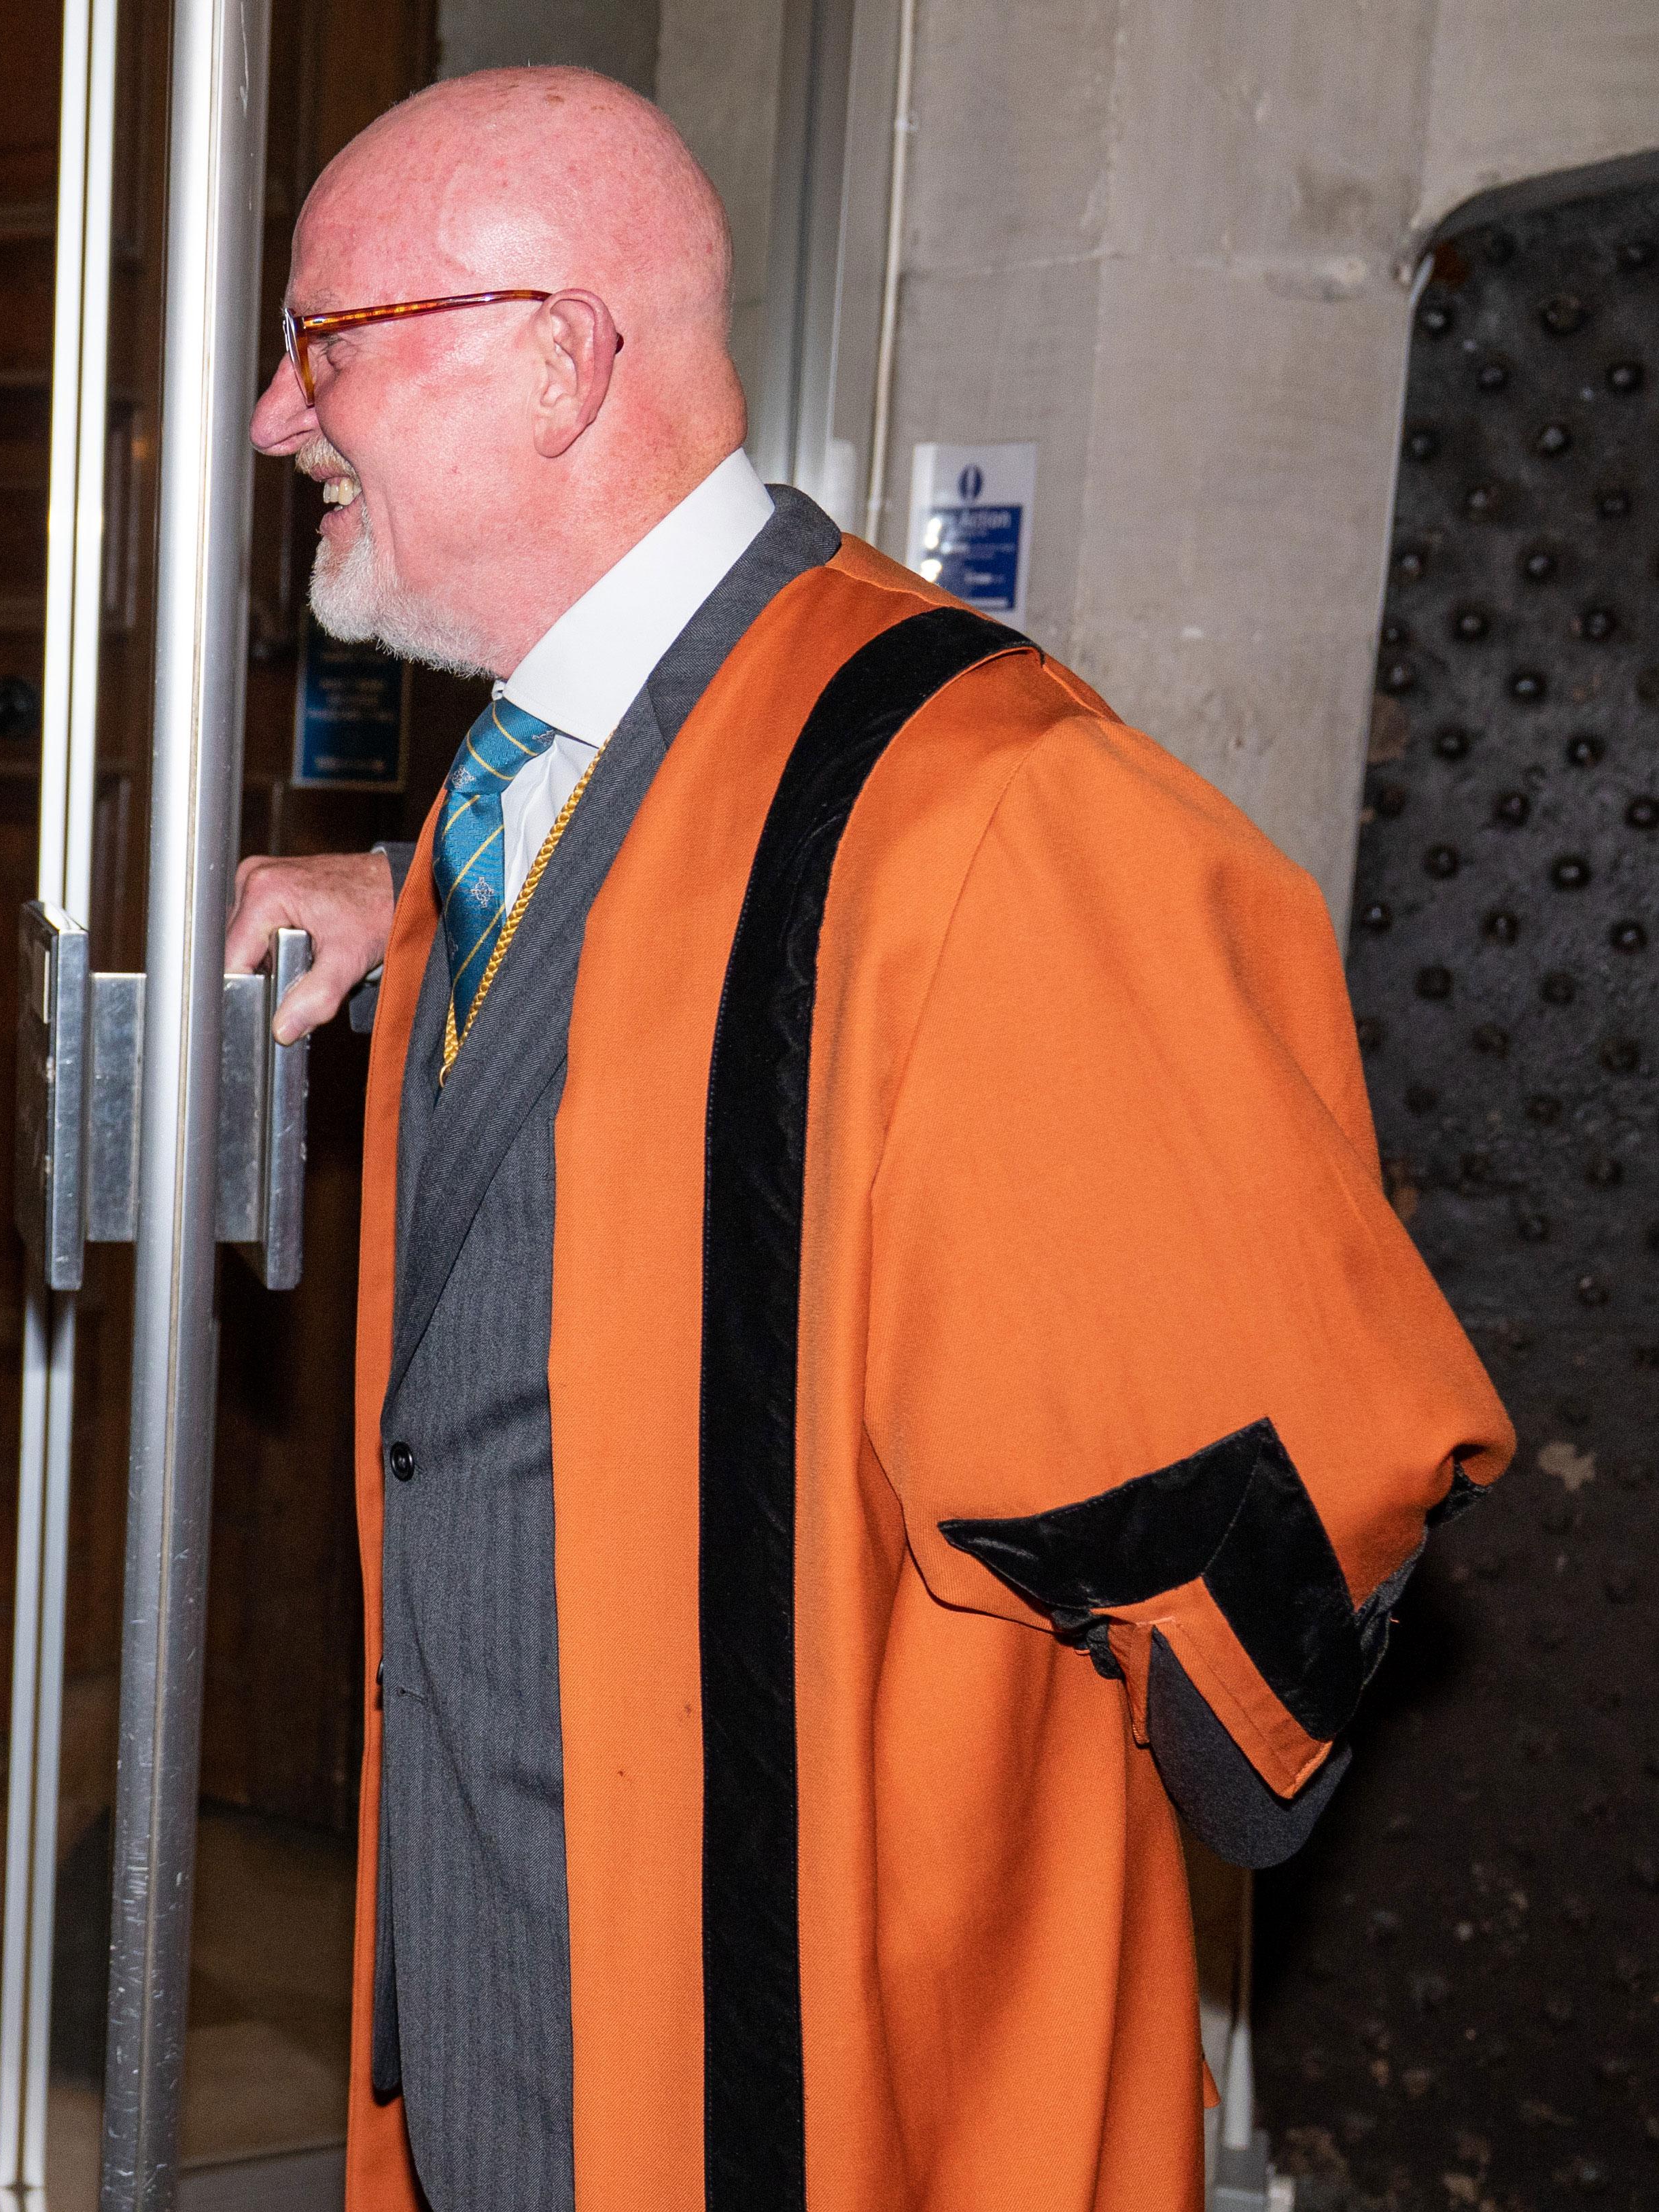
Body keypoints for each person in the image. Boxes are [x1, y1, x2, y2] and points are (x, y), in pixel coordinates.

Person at [223, 69, 1511, 2212]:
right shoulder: (539, 775)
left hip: (782, 2035)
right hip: (494, 1972)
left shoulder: (996, 806)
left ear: (553, 356)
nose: (279, 417)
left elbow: (1277, 1438)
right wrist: (391, 891)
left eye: (323, 342)